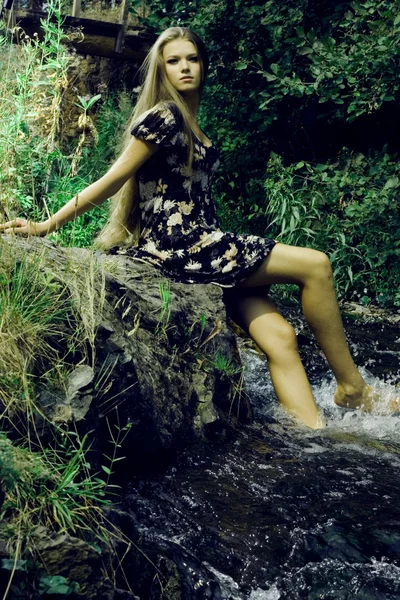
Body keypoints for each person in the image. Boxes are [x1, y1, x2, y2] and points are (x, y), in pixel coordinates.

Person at [0, 27, 396, 429]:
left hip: (205, 246)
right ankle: (352, 389)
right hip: (185, 246)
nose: (184, 67)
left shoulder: (189, 119)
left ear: (203, 64)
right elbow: (113, 180)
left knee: (281, 337)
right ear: (161, 69)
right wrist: (45, 225)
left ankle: (314, 436)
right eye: (174, 61)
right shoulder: (165, 116)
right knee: (316, 265)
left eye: (191, 59)